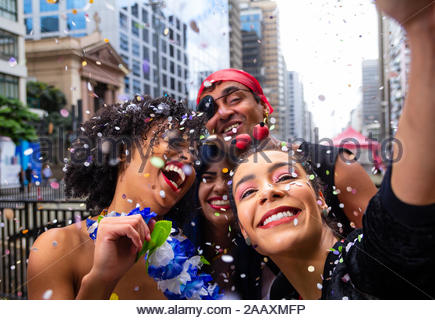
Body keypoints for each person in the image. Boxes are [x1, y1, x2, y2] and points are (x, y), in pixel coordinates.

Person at [229, 0, 435, 299]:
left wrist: (422, 26)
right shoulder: (280, 298)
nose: (267, 193)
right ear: (245, 232)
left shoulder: (368, 265)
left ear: (321, 198)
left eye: (285, 177)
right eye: (247, 192)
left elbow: (400, 219)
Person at [27, 96, 206, 299]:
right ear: (124, 150)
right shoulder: (58, 247)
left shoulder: (183, 258)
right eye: (175, 142)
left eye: (194, 154)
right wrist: (101, 279)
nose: (190, 158)